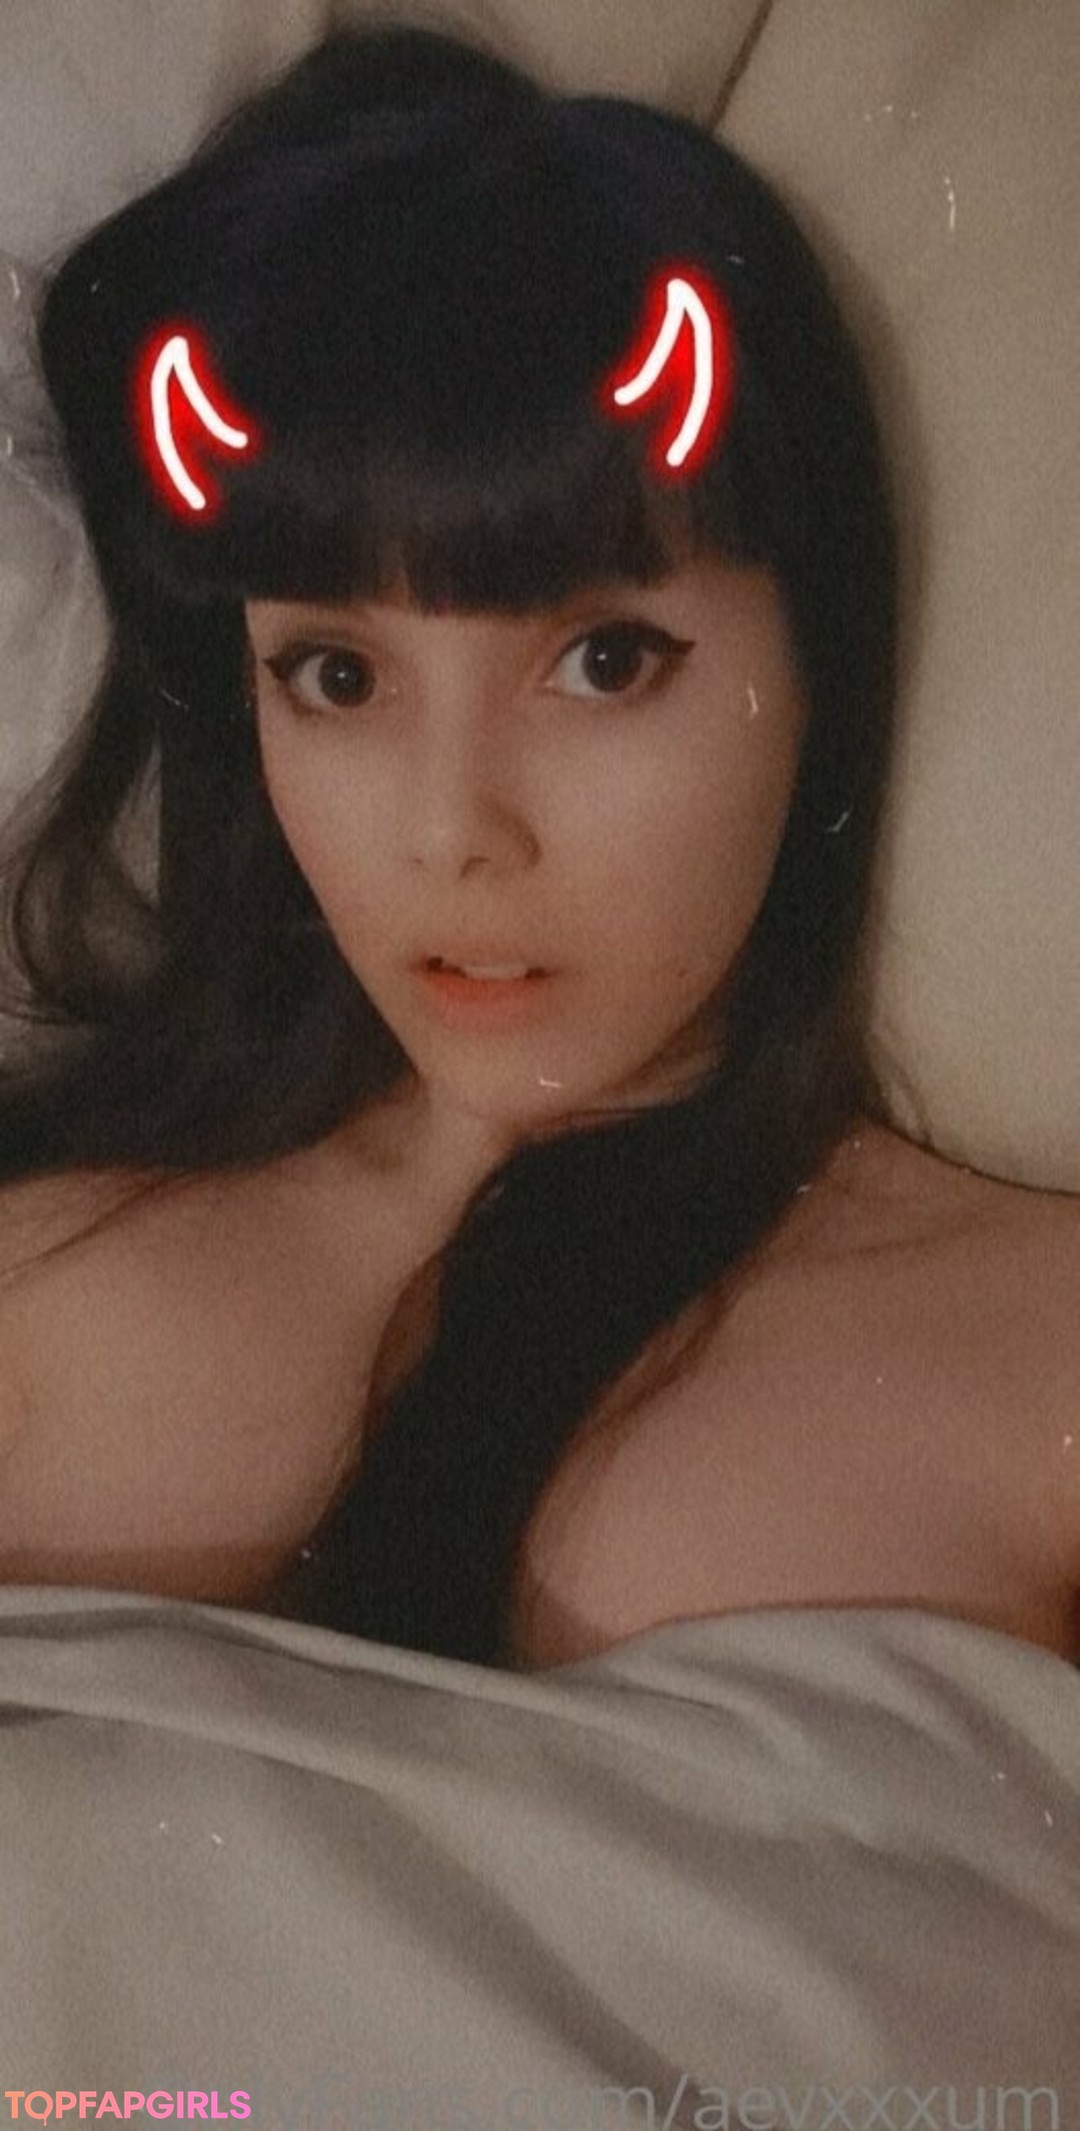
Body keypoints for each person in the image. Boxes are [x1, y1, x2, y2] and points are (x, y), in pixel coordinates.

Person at [0, 22, 1075, 1672]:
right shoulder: (44, 1271)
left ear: (818, 666)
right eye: (337, 676)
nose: (453, 832)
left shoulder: (1039, 1346)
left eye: (604, 662)